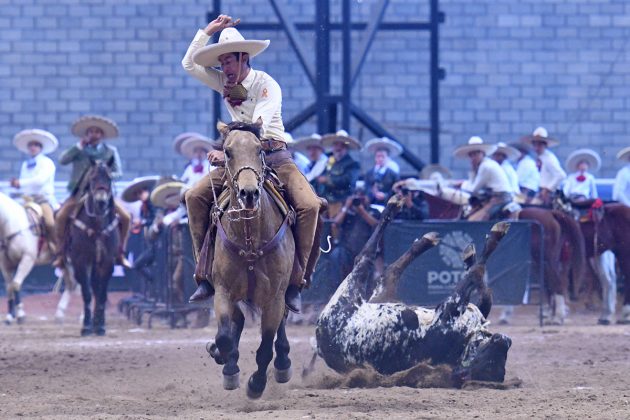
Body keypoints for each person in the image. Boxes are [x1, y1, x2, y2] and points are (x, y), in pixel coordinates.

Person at [181, 14, 321, 312]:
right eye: (221, 64)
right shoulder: (224, 82)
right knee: (193, 196)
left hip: (274, 156)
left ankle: (298, 279)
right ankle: (204, 272)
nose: (224, 69)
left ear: (244, 58)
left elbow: (259, 124)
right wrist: (207, 31)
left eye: (228, 62)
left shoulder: (266, 84)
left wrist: (227, 147)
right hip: (238, 158)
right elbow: (190, 65)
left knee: (310, 205)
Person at [53, 115, 131, 268]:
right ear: (86, 134)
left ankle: (120, 252)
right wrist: (78, 146)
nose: (93, 134)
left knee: (126, 217)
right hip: (79, 193)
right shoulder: (78, 150)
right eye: (90, 131)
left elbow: (118, 172)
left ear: (101, 135)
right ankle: (61, 253)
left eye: (97, 132)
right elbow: (62, 160)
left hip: (103, 194)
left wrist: (107, 174)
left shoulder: (110, 151)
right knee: (61, 216)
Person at [9, 129, 59, 254]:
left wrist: (20, 183)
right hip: (26, 199)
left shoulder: (47, 163)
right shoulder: (25, 164)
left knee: (49, 222)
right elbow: (25, 182)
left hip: (43, 199)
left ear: (40, 148)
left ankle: (56, 247)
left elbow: (40, 181)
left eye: (36, 145)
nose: (33, 147)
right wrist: (17, 186)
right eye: (31, 145)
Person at [453, 136, 513, 221]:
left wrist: (462, 184)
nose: (474, 157)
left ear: (482, 153)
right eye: (471, 155)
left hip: (500, 199)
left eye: (476, 154)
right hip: (493, 197)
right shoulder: (485, 165)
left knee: (474, 219)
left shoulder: (485, 166)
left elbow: (473, 189)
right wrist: (473, 171)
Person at [317, 130, 361, 219]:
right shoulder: (329, 162)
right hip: (326, 201)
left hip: (342, 202)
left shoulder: (353, 164)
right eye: (336, 145)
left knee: (335, 229)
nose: (338, 148)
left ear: (346, 148)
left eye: (342, 145)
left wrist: (327, 180)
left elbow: (348, 180)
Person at [521, 127, 566, 205]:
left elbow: (561, 175)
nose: (536, 148)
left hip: (550, 195)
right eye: (534, 145)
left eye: (539, 145)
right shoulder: (541, 157)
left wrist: (547, 189)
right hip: (542, 191)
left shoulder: (549, 158)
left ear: (545, 145)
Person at [363, 137, 401, 205]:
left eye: (383, 156)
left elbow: (396, 190)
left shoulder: (393, 174)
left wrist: (385, 195)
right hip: (371, 203)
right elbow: (366, 187)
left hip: (388, 204)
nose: (380, 159)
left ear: (387, 158)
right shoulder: (369, 173)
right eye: (378, 156)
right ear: (375, 158)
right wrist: (372, 193)